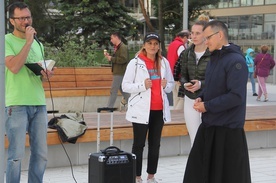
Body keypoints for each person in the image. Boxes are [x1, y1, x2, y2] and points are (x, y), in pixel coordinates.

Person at [183, 20, 251, 183]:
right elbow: (214, 85)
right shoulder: (215, 58)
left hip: (227, 131)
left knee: (226, 177)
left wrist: (207, 106)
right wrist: (203, 96)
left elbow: (236, 96)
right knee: (197, 173)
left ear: (219, 35)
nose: (206, 42)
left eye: (208, 37)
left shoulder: (236, 61)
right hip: (210, 126)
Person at [5, 2, 54, 183]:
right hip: (16, 103)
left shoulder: (37, 44)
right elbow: (14, 67)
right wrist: (27, 42)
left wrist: (46, 73)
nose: (26, 21)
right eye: (22, 18)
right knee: (16, 156)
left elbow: (37, 72)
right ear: (12, 21)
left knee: (41, 155)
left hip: (38, 103)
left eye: (28, 17)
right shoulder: (6, 41)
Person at [122, 32, 174, 183]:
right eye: (150, 43)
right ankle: (136, 176)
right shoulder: (135, 63)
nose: (153, 46)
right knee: (138, 144)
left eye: (155, 44)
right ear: (144, 45)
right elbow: (125, 85)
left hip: (159, 110)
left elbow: (170, 85)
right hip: (141, 110)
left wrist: (166, 86)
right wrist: (142, 85)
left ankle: (151, 176)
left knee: (155, 144)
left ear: (159, 46)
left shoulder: (164, 62)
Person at [179, 20, 211, 147]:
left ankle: (209, 165)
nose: (194, 36)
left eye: (198, 33)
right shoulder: (187, 53)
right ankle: (196, 165)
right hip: (190, 98)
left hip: (208, 99)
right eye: (192, 33)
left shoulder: (213, 53)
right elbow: (183, 76)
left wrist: (201, 84)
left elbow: (218, 78)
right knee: (194, 137)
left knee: (208, 137)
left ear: (205, 35)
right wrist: (186, 85)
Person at [104, 32, 130, 109]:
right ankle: (133, 104)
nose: (111, 40)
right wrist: (110, 57)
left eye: (112, 38)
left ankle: (109, 107)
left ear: (116, 37)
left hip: (120, 72)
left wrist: (111, 58)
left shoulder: (123, 47)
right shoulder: (118, 47)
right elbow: (119, 58)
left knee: (114, 89)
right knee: (123, 91)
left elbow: (123, 59)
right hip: (119, 72)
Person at [167, 30, 190, 110]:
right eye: (188, 38)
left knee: (175, 97)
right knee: (181, 98)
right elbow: (182, 61)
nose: (187, 41)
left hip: (171, 74)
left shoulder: (172, 44)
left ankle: (174, 116)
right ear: (184, 37)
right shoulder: (180, 46)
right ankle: (178, 114)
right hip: (179, 75)